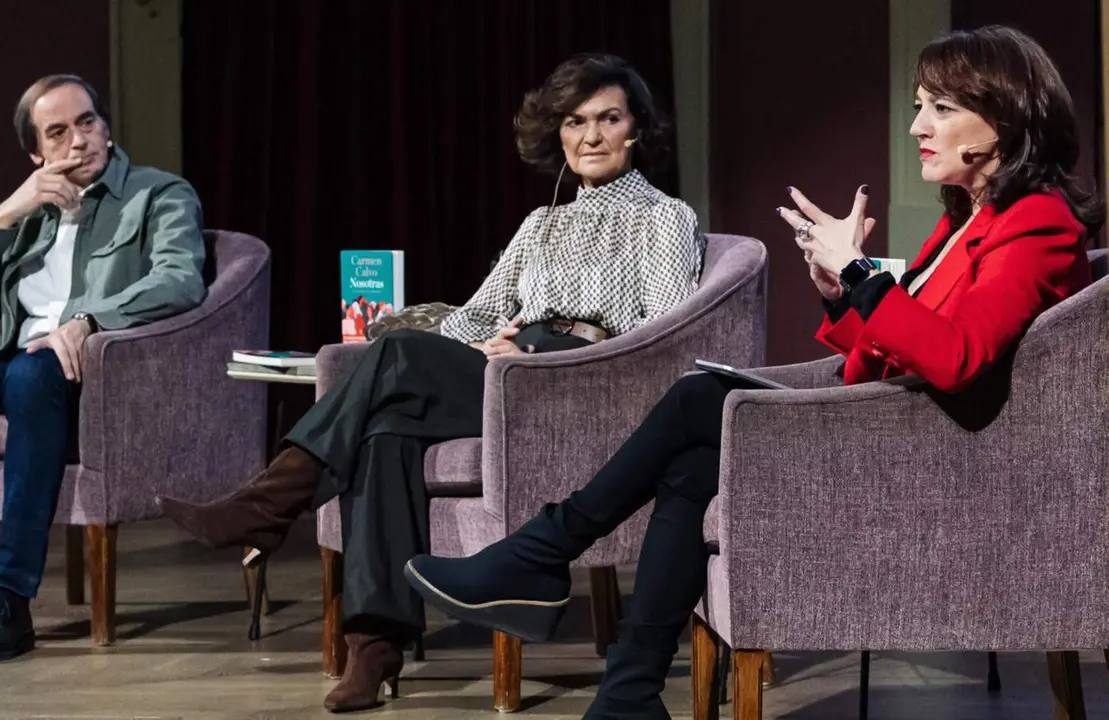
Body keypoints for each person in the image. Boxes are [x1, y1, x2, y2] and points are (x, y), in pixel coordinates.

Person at [402, 25, 1103, 719]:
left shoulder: (1035, 223)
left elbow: (956, 360)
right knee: (691, 461)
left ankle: (543, 552)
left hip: (939, 460)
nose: (917, 123)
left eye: (940, 107)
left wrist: (861, 275)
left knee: (697, 398)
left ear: (1005, 118)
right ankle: (627, 694)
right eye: (918, 103)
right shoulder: (965, 220)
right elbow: (885, 356)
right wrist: (840, 289)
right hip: (893, 429)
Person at [157, 53, 705, 712]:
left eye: (607, 119)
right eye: (574, 120)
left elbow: (666, 333)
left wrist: (567, 346)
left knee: (388, 362)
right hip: (504, 371)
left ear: (636, 130)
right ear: (556, 133)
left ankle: (267, 505)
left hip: (574, 385)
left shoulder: (663, 217)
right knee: (386, 430)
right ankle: (376, 651)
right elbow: (476, 311)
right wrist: (473, 346)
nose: (589, 136)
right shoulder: (541, 224)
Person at [0, 74, 205, 663]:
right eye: (58, 132)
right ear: (37, 152)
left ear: (107, 129)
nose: (78, 142)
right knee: (8, 370)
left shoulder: (157, 194)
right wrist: (6, 215)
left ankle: (8, 599)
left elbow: (179, 280)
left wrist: (89, 321)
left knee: (34, 371)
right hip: (10, 370)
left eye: (87, 123)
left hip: (87, 377)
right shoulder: (31, 214)